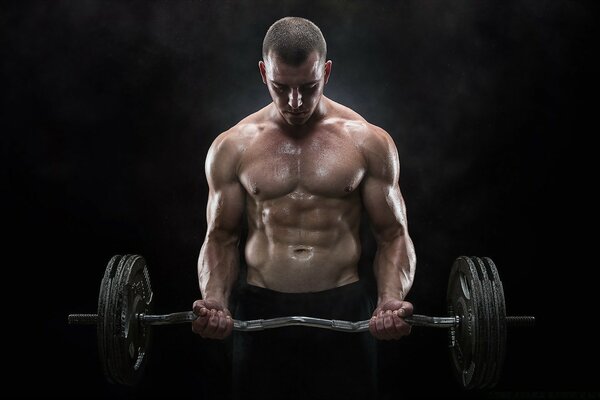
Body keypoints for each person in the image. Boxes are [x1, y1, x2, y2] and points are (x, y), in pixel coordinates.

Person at [191, 17, 416, 400]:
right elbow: (221, 237)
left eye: (308, 87)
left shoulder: (368, 142)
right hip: (260, 309)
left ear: (325, 71)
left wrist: (390, 299)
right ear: (264, 73)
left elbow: (393, 235)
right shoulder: (232, 146)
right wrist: (215, 299)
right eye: (281, 87)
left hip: (345, 308)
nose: (295, 102)